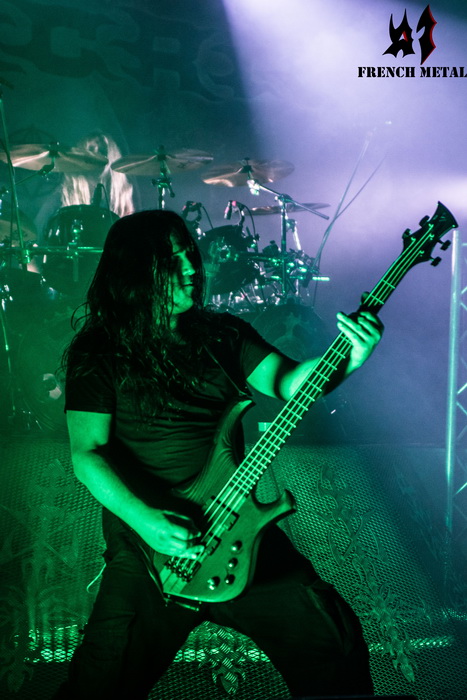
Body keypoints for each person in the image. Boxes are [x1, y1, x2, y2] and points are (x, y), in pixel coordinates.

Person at [54, 209, 383, 700]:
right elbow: (87, 453)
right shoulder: (99, 351)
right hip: (150, 548)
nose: (191, 268)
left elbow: (290, 382)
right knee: (100, 682)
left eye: (190, 254)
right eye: (171, 261)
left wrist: (350, 357)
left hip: (235, 523)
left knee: (333, 642)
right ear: (135, 272)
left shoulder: (223, 335)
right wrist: (146, 522)